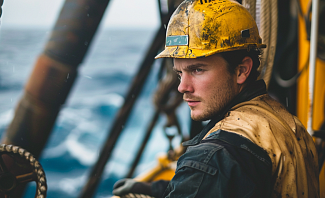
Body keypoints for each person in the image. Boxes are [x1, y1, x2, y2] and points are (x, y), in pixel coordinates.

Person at [113, 0, 320, 197]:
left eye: (197, 70)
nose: (182, 87)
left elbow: (217, 175)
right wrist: (159, 190)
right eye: (179, 73)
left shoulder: (214, 157)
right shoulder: (286, 123)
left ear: (241, 70)